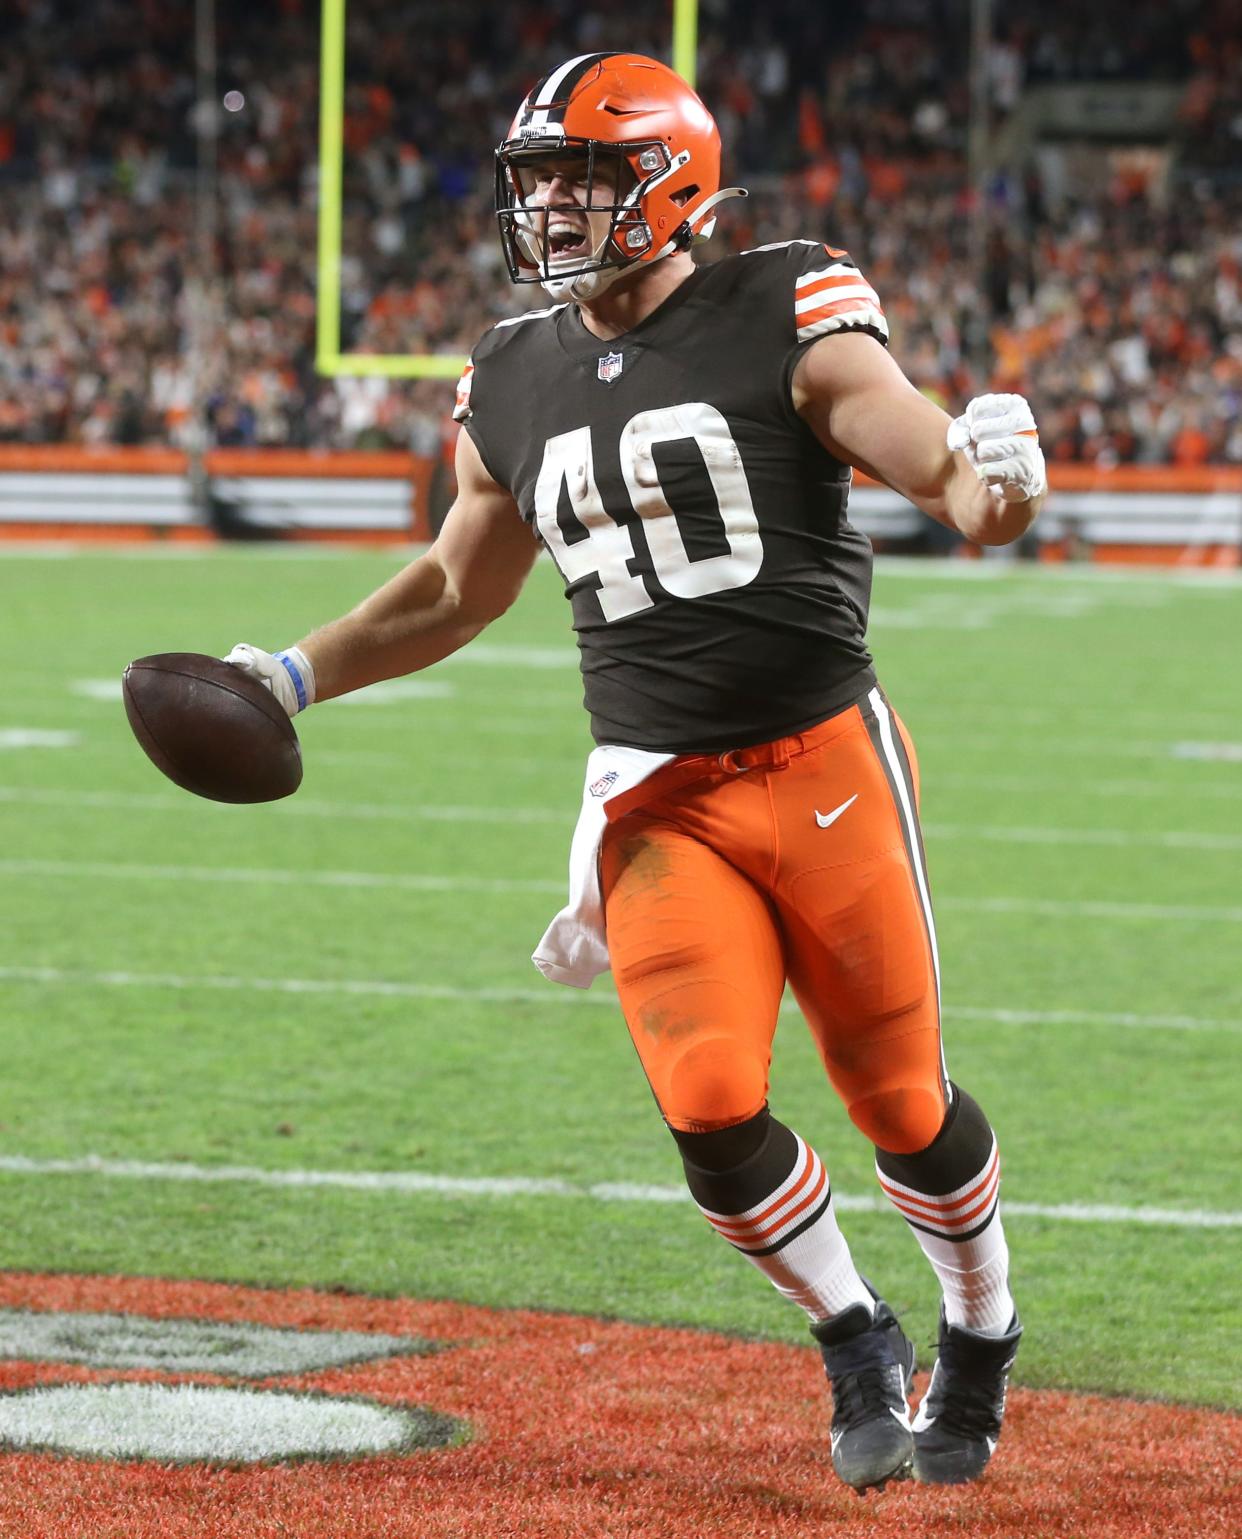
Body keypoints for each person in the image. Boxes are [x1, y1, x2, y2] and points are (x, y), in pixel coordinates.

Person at [226, 53, 1045, 1494]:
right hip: (658, 790)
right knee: (711, 1099)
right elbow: (448, 591)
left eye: (581, 178)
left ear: (668, 179)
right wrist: (290, 674)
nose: (547, 207)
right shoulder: (512, 371)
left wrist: (998, 485)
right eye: (534, 180)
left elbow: (940, 478)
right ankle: (852, 1332)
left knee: (897, 1096)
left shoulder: (784, 300)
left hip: (822, 766)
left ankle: (977, 1330)